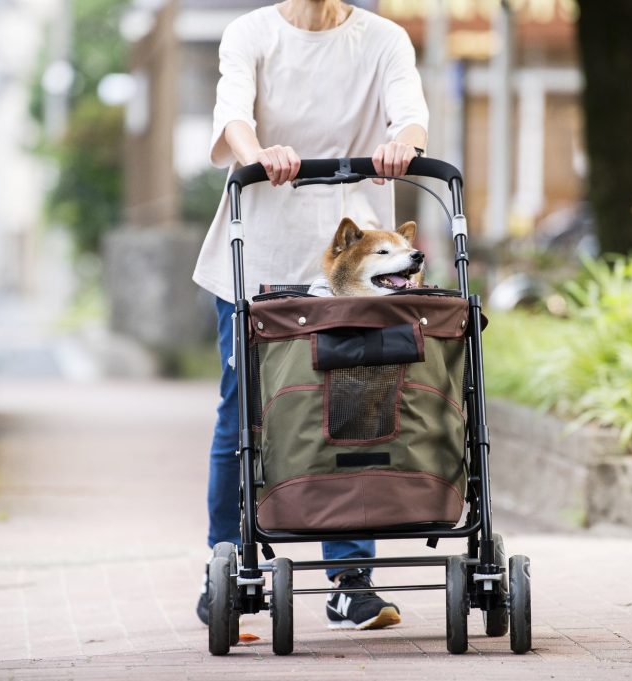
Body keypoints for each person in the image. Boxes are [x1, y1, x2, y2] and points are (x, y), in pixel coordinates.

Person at [193, 0, 428, 631]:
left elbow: (410, 114)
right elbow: (233, 113)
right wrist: (260, 154)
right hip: (258, 250)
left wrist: (402, 147)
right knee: (245, 408)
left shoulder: (382, 38)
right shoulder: (252, 34)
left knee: (353, 408)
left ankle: (350, 583)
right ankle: (231, 565)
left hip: (352, 265)